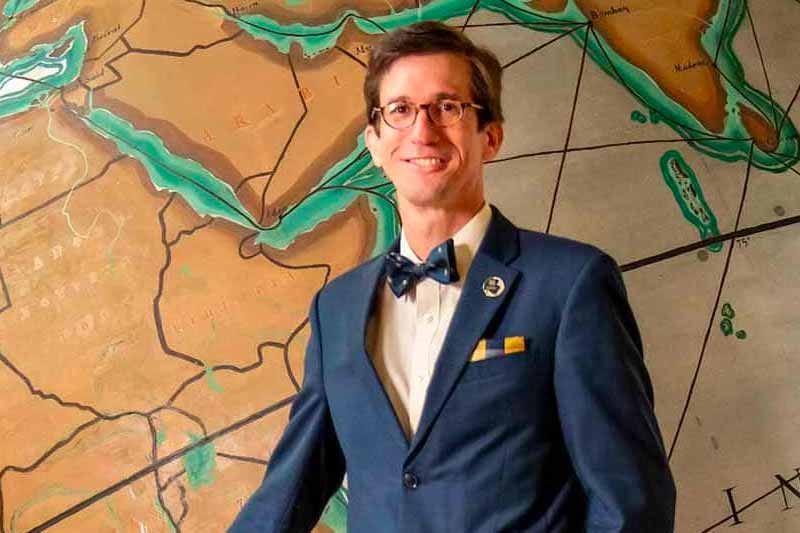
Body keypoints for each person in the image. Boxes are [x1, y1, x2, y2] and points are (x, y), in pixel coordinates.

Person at [229, 21, 675, 533]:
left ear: (491, 136)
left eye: (447, 107)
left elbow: (632, 504)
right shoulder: (336, 308)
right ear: (374, 143)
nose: (422, 130)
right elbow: (292, 489)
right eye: (399, 110)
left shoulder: (571, 284)